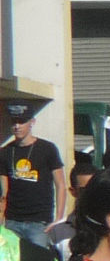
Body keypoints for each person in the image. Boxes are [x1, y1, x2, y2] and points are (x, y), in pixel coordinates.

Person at [0, 98, 65, 250]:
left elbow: (60, 184)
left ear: (32, 122)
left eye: (21, 121)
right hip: (13, 221)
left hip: (39, 221)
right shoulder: (5, 152)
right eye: (14, 122)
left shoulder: (47, 149)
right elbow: (4, 191)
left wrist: (59, 218)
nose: (17, 126)